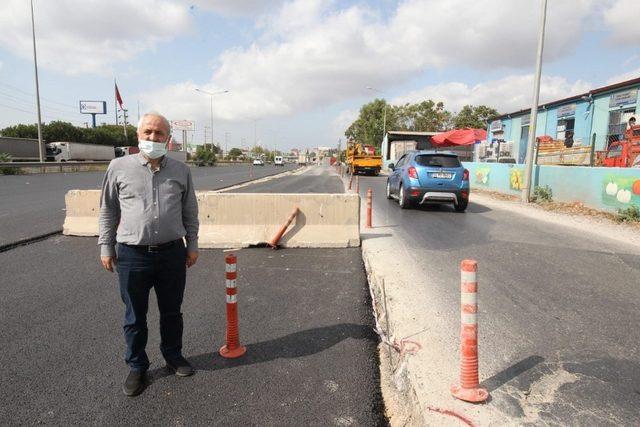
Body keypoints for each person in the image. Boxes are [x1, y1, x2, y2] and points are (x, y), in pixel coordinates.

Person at [98, 112, 199, 396]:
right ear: (138, 136)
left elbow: (190, 211)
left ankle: (173, 356)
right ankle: (137, 366)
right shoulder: (118, 167)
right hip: (132, 255)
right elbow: (108, 210)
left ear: (168, 139)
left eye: (159, 134)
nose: (153, 138)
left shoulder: (181, 171)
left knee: (171, 312)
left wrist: (192, 244)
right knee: (134, 315)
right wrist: (106, 246)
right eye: (148, 133)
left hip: (172, 255)